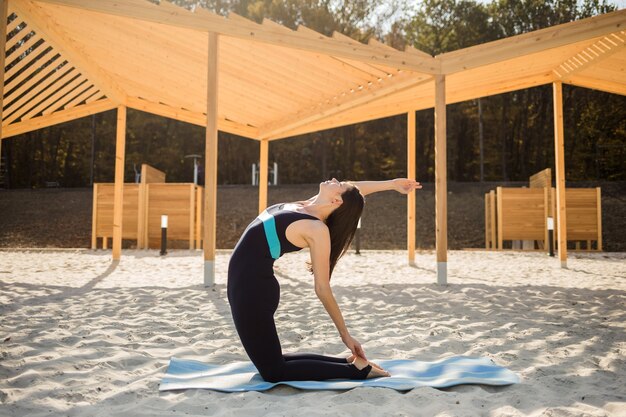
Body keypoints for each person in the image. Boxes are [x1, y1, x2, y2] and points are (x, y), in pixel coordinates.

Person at [227, 178, 422, 382]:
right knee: (274, 361)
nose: (335, 180)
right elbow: (354, 192)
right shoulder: (307, 206)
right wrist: (391, 184)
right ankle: (350, 364)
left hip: (252, 291)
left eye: (339, 185)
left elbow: (322, 288)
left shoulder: (316, 229)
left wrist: (345, 334)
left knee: (273, 372)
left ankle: (357, 371)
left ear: (337, 201)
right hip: (247, 285)